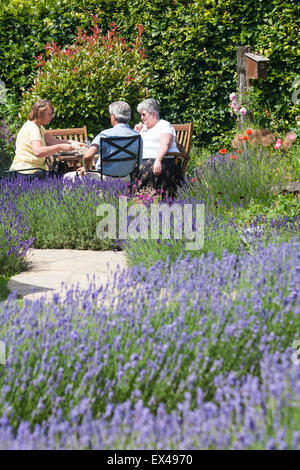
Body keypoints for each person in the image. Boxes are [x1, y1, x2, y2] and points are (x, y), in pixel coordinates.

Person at [65, 101, 142, 182]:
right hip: (126, 179)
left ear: (113, 117)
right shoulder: (137, 136)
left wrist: (86, 168)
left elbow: (88, 155)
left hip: (103, 179)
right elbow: (138, 163)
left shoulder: (105, 135)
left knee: (66, 177)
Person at [9, 100, 77, 179]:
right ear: (39, 113)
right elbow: (38, 151)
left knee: (63, 177)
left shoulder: (38, 127)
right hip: (25, 173)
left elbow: (52, 141)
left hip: (26, 172)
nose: (51, 117)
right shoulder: (33, 128)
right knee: (66, 179)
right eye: (49, 114)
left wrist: (72, 143)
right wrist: (60, 147)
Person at [134, 98, 184, 197]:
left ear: (153, 114)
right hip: (142, 160)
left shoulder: (164, 125)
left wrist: (158, 160)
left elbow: (166, 144)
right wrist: (135, 132)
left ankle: (150, 200)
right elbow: (132, 146)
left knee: (147, 167)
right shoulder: (142, 128)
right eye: (140, 115)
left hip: (162, 160)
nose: (141, 118)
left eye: (144, 114)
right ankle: (136, 200)